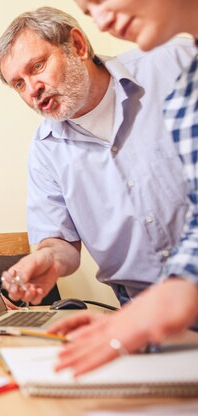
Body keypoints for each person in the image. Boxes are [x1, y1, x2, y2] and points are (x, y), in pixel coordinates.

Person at [0, 7, 195, 309]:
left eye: (37, 67)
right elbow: (62, 243)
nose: (33, 90)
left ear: (78, 45)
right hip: (137, 305)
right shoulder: (44, 150)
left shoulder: (173, 65)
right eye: (18, 84)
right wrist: (48, 257)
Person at [45, 0, 198, 376]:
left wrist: (164, 301)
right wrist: (141, 315)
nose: (101, 19)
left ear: (78, 47)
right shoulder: (185, 93)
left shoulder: (172, 71)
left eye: (100, 1)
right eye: (88, 8)